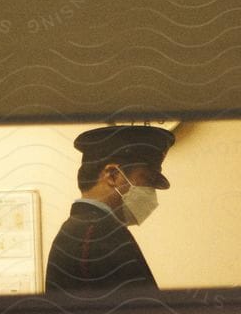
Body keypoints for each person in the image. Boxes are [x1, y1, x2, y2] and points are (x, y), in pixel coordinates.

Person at [44, 124, 174, 292]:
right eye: (147, 180)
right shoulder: (99, 234)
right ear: (113, 175)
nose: (151, 192)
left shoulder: (80, 229)